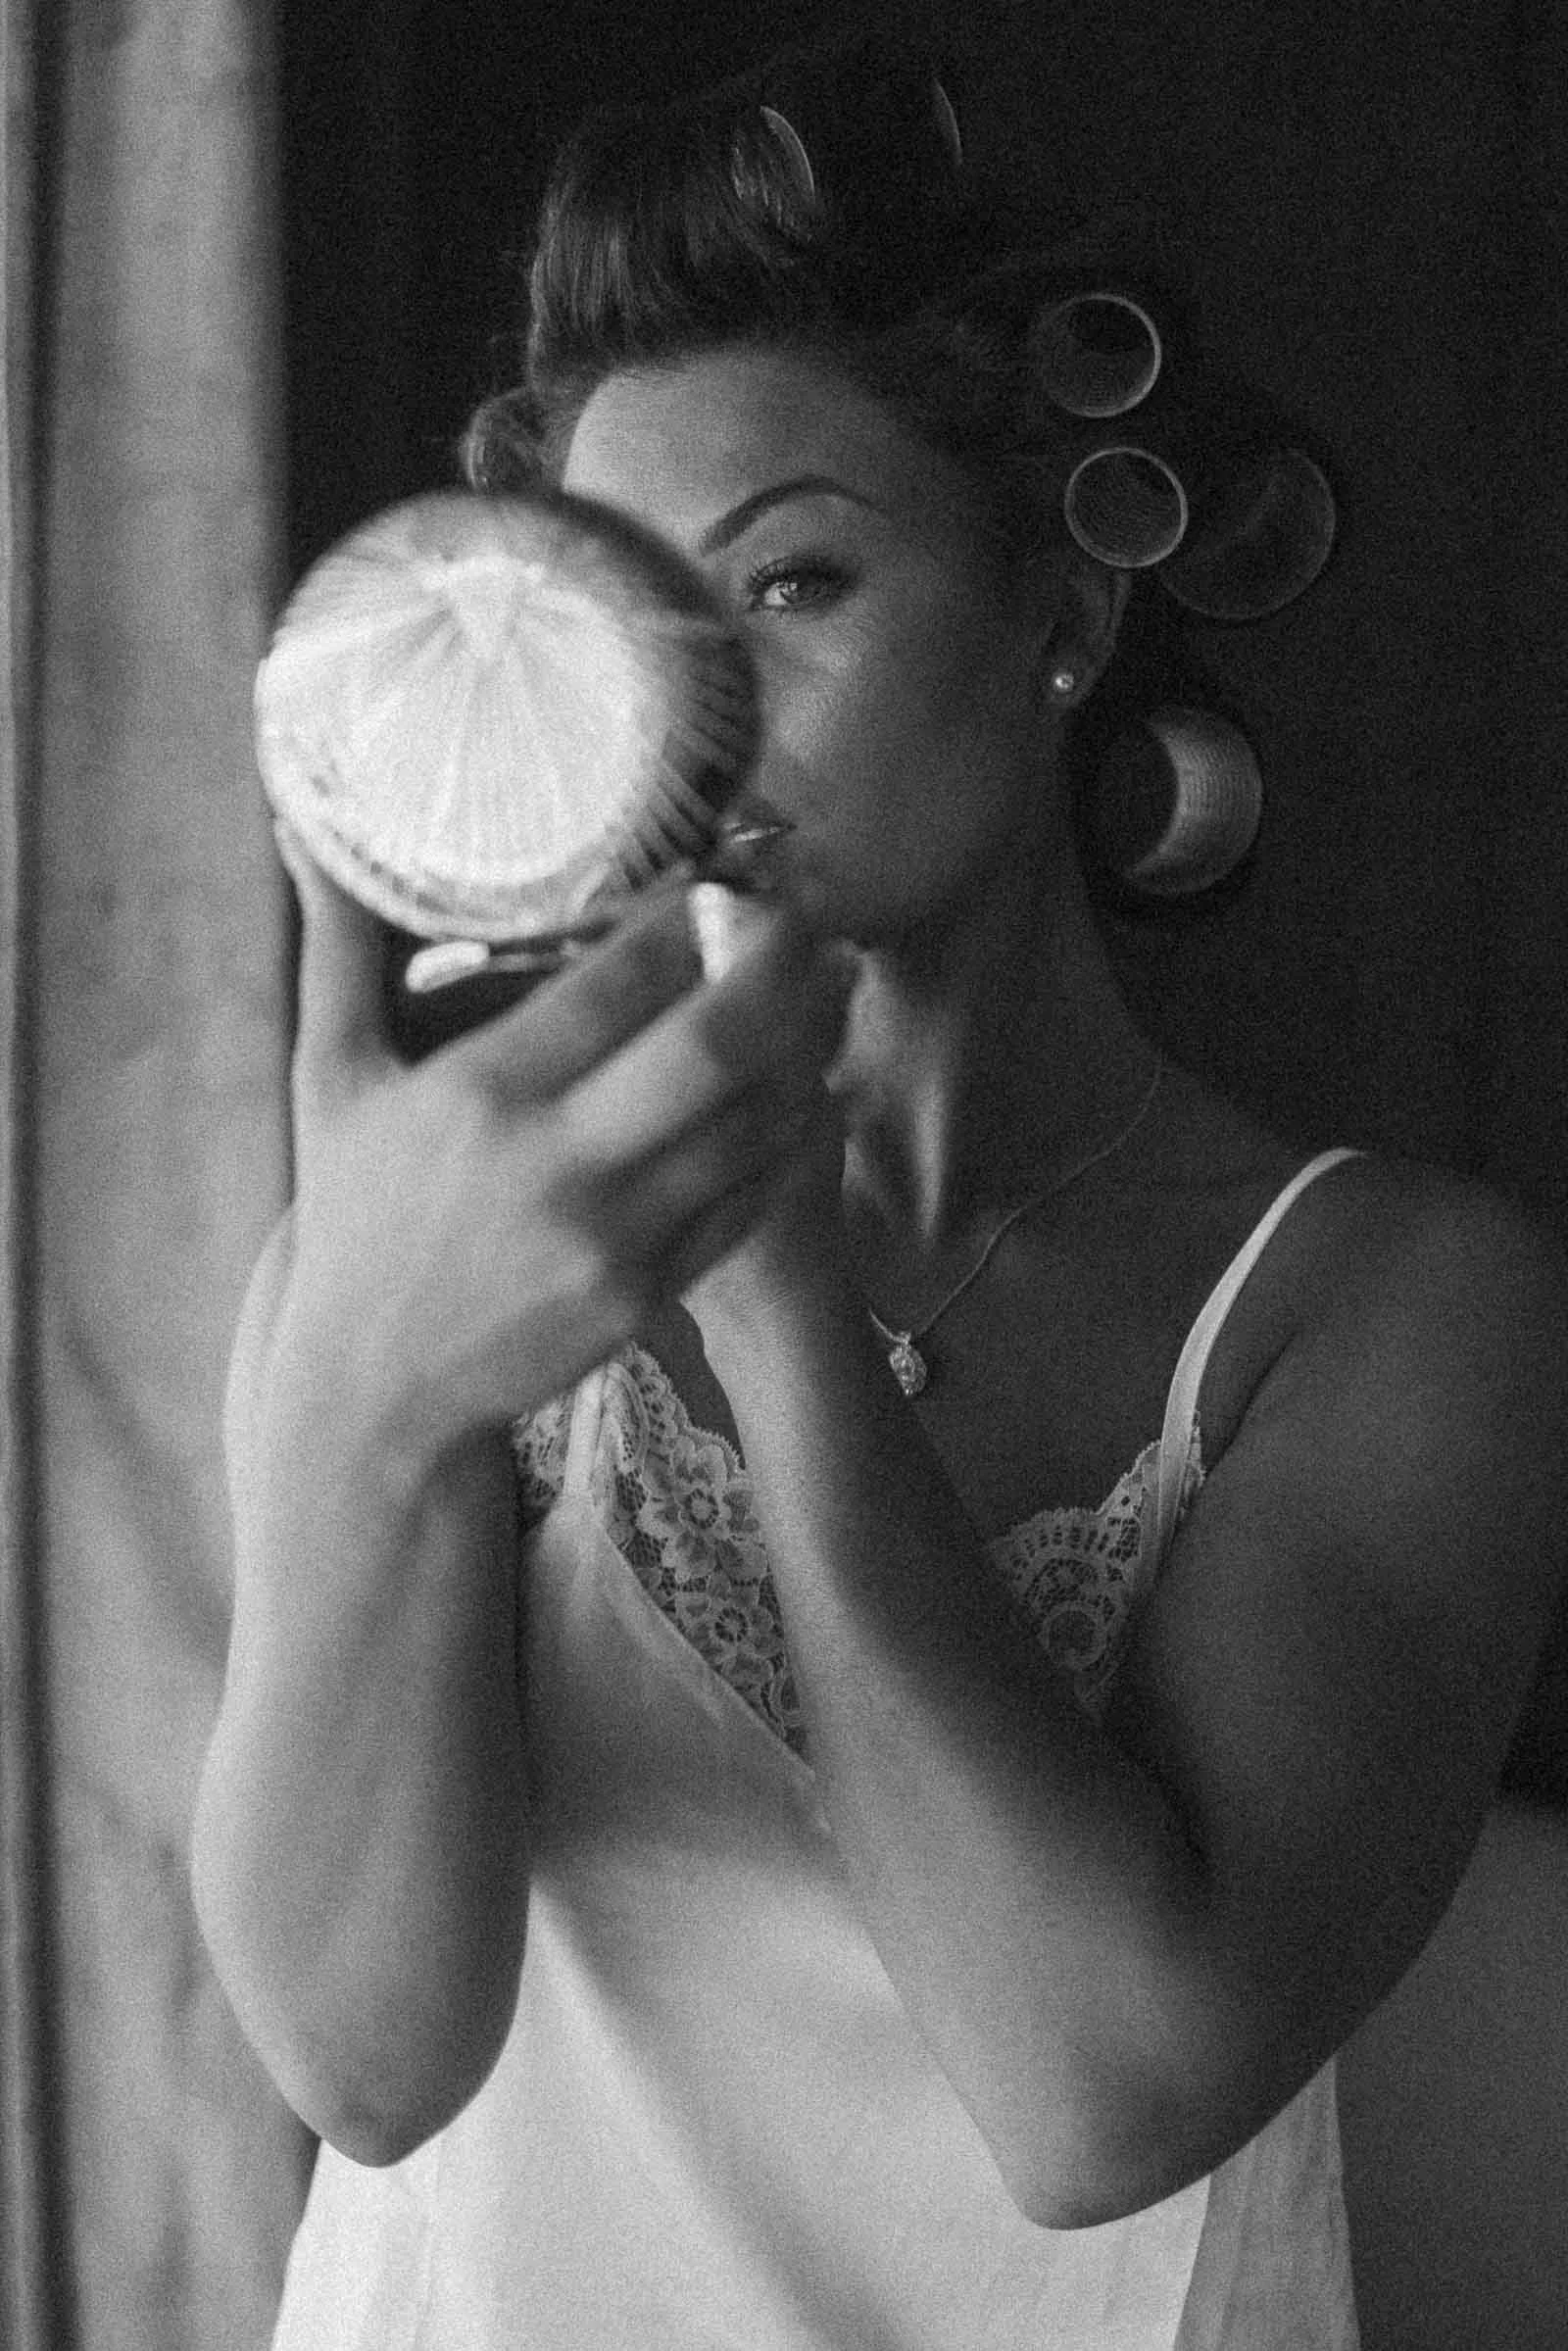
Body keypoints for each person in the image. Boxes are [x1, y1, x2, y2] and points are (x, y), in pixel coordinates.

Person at [192, 31, 1568, 2349]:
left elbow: (1090, 2095)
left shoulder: (1392, 1302)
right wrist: (356, 1378)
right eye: (623, 614)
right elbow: (362, 2055)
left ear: (1063, 615)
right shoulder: (437, 1237)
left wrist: (774, 1298)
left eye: (790, 582)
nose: (683, 712)